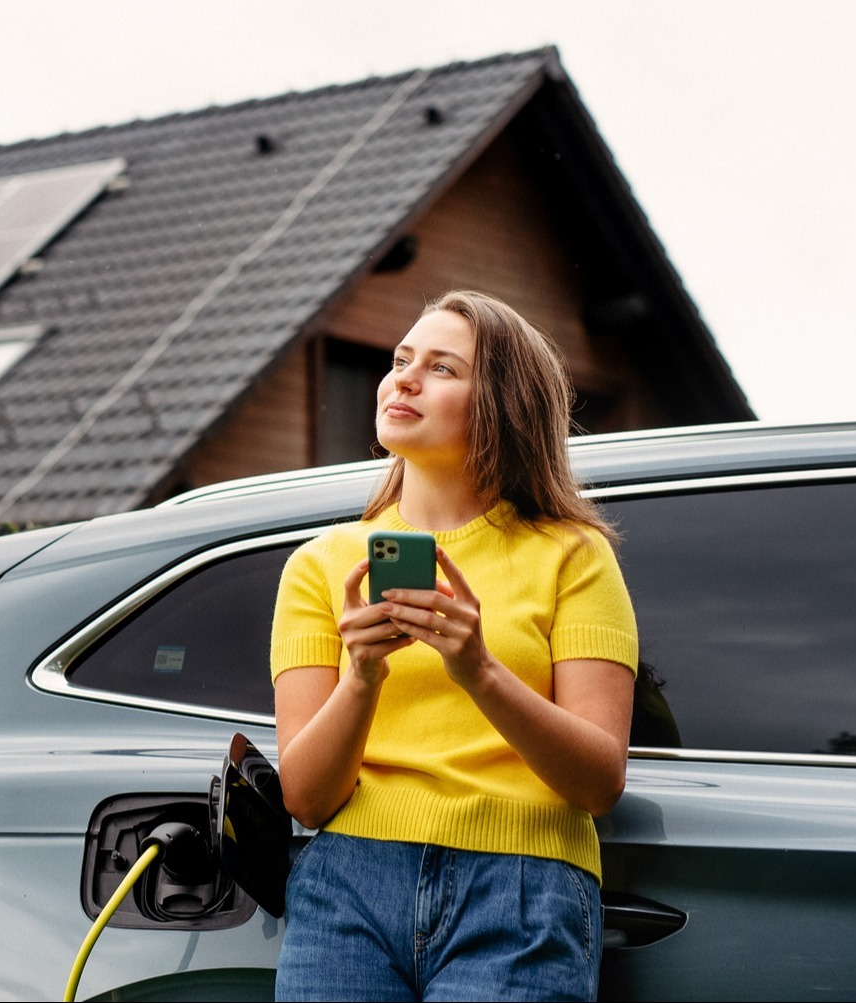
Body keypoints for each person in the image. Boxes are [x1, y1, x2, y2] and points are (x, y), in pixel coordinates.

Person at [269, 290, 637, 1002]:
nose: (401, 378)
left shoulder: (574, 555)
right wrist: (362, 676)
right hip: (346, 881)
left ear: (500, 403)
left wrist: (479, 671)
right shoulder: (318, 566)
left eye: (440, 368)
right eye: (400, 359)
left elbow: (598, 782)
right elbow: (307, 798)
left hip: (523, 887)